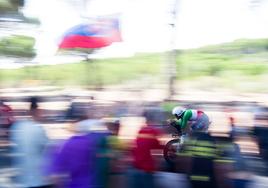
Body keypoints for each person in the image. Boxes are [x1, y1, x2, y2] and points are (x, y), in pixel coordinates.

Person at [10, 96, 52, 188]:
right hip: (38, 179)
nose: (43, 113)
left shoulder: (18, 127)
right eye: (42, 111)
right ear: (36, 111)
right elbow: (48, 149)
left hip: (23, 179)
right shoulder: (38, 129)